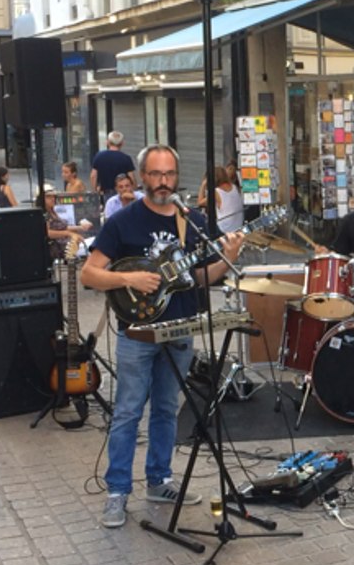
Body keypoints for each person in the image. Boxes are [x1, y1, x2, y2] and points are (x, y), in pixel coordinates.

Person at [80, 145, 243, 528]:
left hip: (181, 328)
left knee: (168, 408)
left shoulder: (196, 221)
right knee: (128, 412)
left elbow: (200, 278)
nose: (163, 182)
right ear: (141, 178)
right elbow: (90, 273)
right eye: (155, 175)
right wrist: (128, 278)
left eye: (169, 174)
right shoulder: (124, 222)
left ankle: (160, 480)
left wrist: (230, 253)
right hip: (138, 331)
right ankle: (118, 492)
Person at [39, 184, 89, 261]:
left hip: (66, 243)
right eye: (48, 197)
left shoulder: (52, 211)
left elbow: (63, 227)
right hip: (56, 247)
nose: (52, 199)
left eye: (53, 197)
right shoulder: (44, 214)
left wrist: (80, 228)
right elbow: (47, 233)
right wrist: (68, 233)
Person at [196, 164, 244, 233]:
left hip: (225, 228)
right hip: (238, 226)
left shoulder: (216, 192)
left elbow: (199, 203)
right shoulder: (235, 187)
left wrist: (203, 184)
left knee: (203, 225)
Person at [89, 131, 136, 200]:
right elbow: (131, 177)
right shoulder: (126, 158)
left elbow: (93, 176)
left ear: (108, 142)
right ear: (122, 143)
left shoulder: (99, 156)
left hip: (106, 193)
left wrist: (95, 191)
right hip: (123, 193)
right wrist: (134, 190)